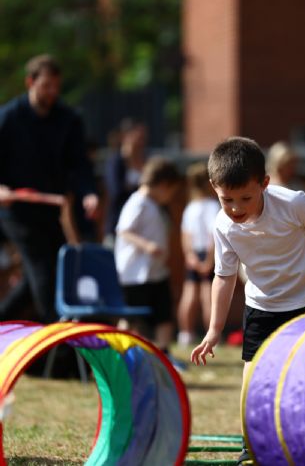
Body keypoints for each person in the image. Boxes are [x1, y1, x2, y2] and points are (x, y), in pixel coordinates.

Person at [190, 137, 305, 465]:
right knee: (252, 380)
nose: (236, 208)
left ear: (264, 183)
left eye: (246, 198)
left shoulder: (292, 203)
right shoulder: (223, 225)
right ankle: (251, 445)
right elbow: (224, 277)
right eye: (227, 199)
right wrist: (214, 330)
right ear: (214, 188)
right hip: (262, 308)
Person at [0, 54, 98, 323]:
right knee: (43, 270)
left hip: (49, 211)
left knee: (46, 274)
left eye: (56, 86)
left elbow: (79, 164)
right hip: (16, 212)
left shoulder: (68, 120)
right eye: (46, 86)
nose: (53, 92)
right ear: (30, 82)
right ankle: (56, 336)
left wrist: (88, 192)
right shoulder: (8, 118)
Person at [114, 156, 180, 358]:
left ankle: (163, 352)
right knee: (131, 316)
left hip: (155, 272)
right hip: (135, 274)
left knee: (164, 312)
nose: (171, 197)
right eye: (171, 191)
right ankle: (119, 352)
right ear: (163, 185)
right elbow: (124, 231)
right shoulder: (137, 202)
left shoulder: (153, 205)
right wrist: (147, 245)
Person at [177, 162, 220, 346]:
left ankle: (185, 334)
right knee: (208, 297)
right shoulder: (213, 206)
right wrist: (209, 260)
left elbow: (186, 235)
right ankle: (211, 335)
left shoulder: (190, 207)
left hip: (194, 253)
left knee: (189, 294)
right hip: (208, 252)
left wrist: (190, 256)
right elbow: (214, 234)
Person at [103, 118, 148, 246]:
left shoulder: (146, 161)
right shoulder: (116, 162)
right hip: (117, 225)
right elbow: (116, 191)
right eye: (138, 138)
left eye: (143, 138)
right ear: (125, 136)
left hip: (141, 230)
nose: (141, 142)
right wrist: (140, 189)